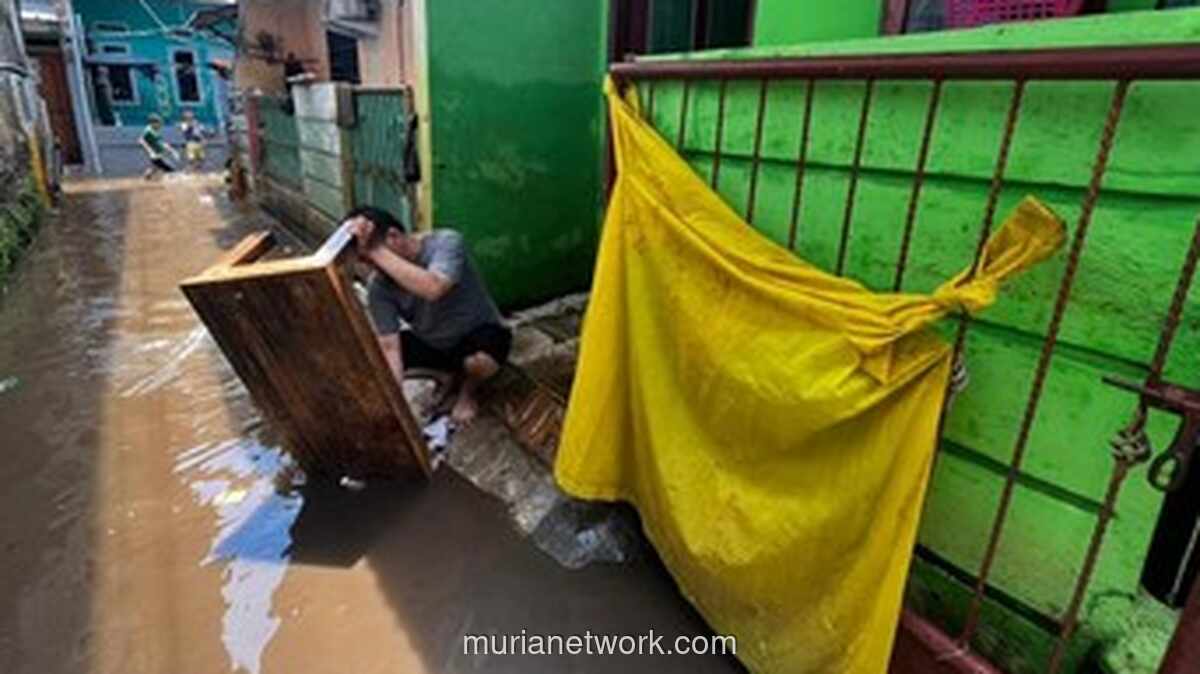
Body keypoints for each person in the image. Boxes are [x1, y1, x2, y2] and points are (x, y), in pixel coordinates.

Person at [345, 206, 511, 425]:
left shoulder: (446, 243)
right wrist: (395, 408)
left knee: (479, 362)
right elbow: (390, 347)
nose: (373, 266)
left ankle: (468, 392)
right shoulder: (379, 287)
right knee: (372, 358)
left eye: (371, 259)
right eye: (365, 262)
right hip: (434, 342)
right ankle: (447, 376)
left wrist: (375, 251)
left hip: (477, 335)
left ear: (394, 236)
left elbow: (434, 287)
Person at [139, 114, 179, 180]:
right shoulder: (148, 131)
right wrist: (149, 150)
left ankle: (146, 178)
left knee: (155, 168)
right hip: (155, 155)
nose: (160, 125)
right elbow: (141, 140)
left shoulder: (154, 131)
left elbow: (161, 143)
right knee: (171, 170)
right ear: (153, 123)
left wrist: (172, 151)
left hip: (159, 153)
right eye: (158, 123)